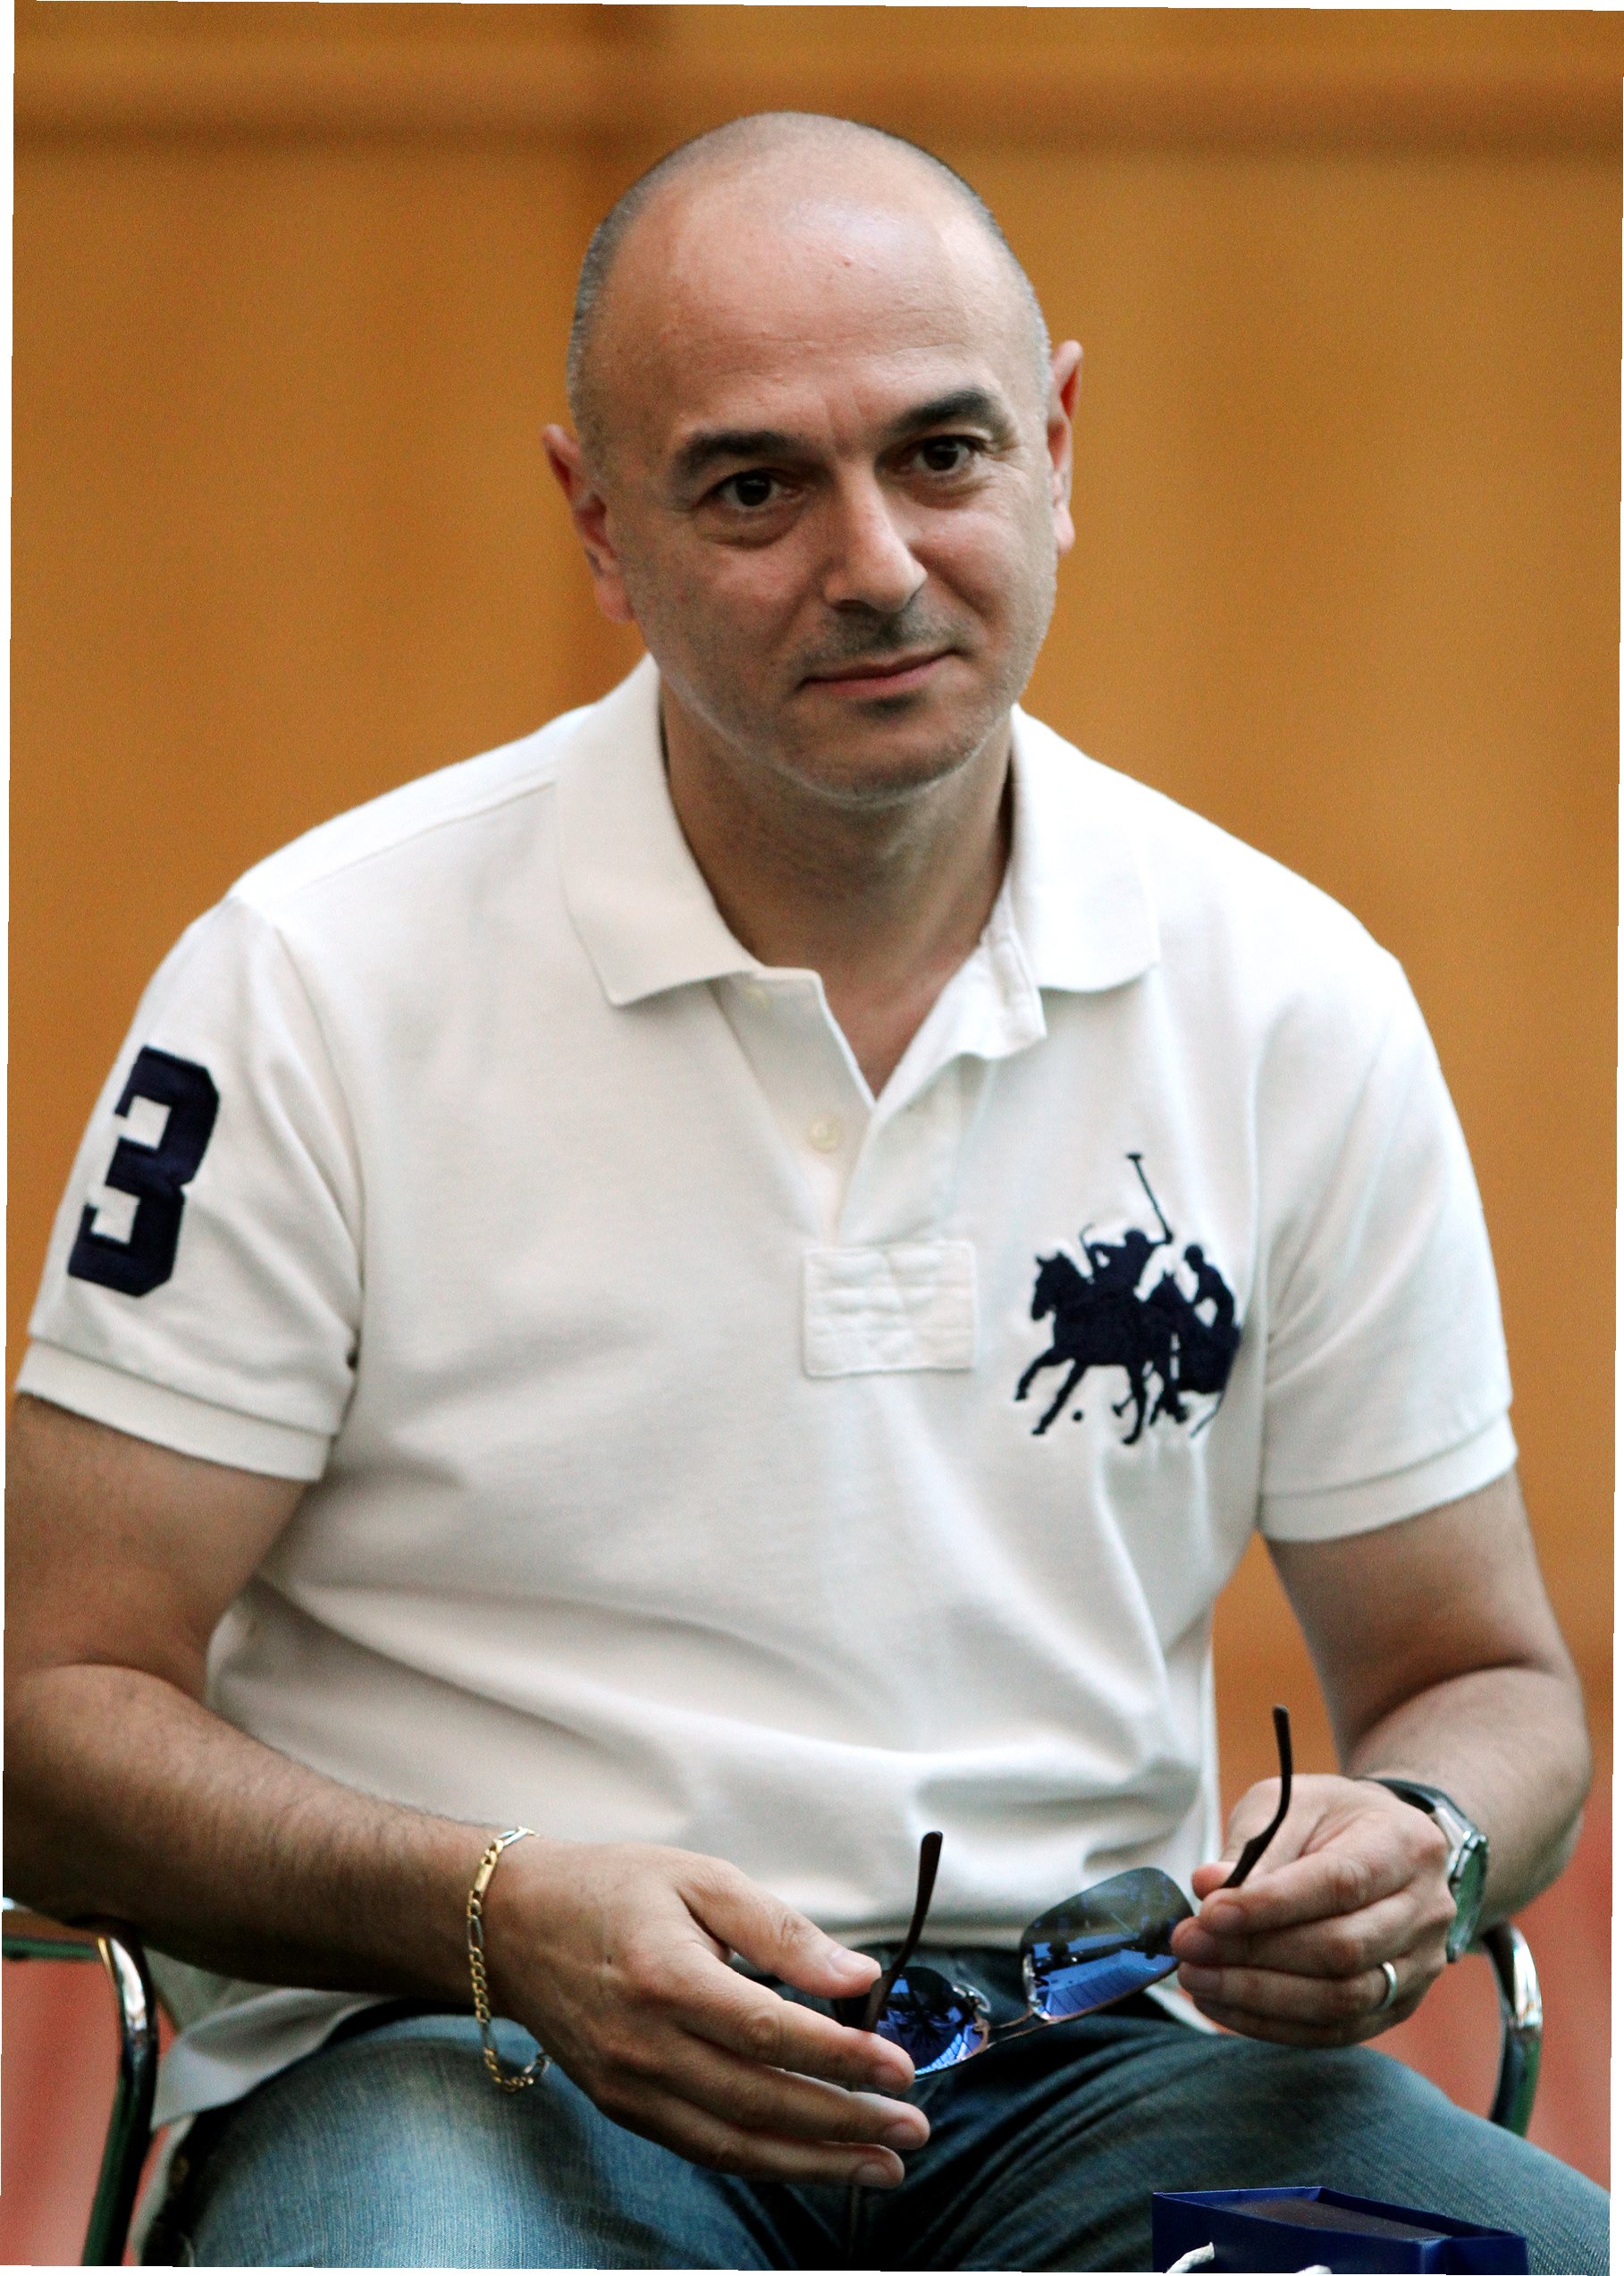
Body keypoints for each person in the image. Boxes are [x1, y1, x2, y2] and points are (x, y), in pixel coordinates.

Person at [5, 112, 1605, 2272]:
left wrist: (1422, 1836)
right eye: (755, 487)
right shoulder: (309, 982)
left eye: (942, 454)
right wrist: (494, 1907)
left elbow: (1485, 1679)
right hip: (471, 2042)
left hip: (1086, 2055)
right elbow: (45, 1715)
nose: (876, 564)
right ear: (600, 527)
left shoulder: (1292, 999)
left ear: (1058, 445)